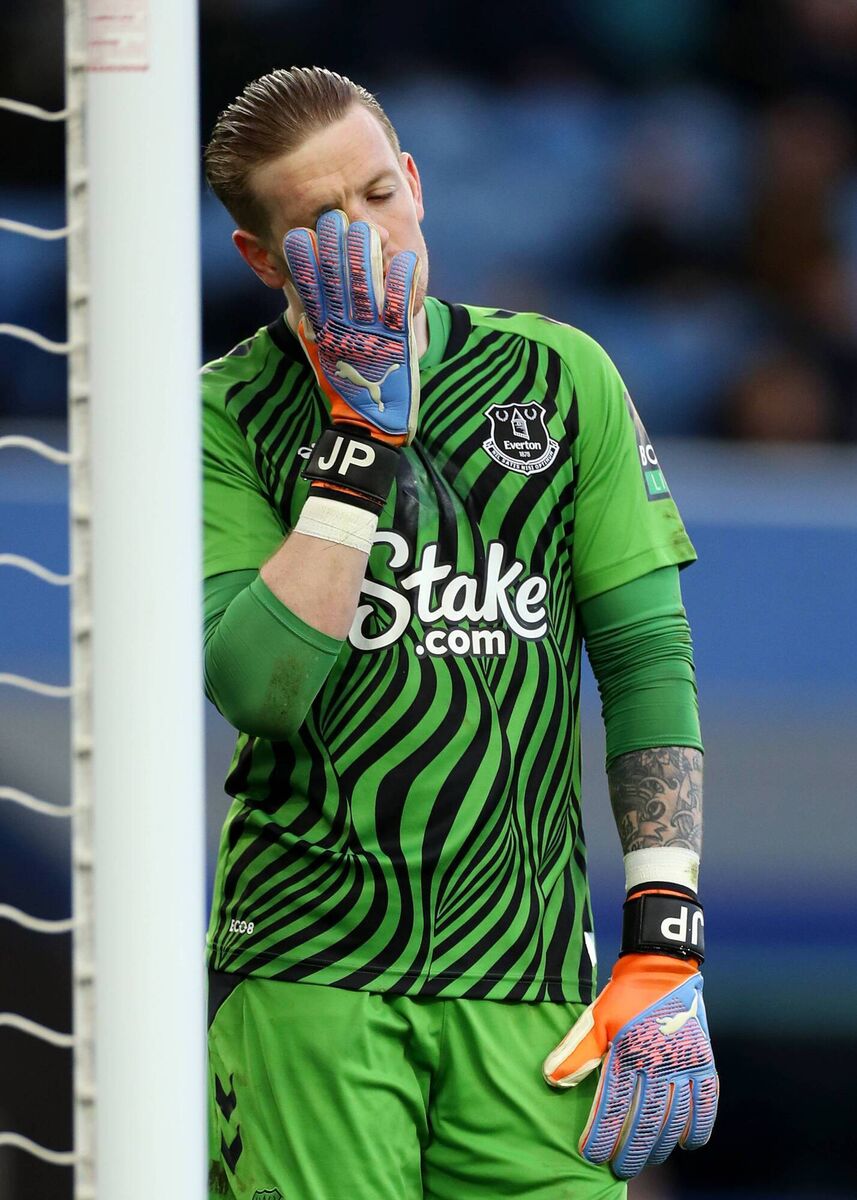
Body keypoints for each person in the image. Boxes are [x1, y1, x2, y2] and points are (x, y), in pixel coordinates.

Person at [201, 66, 717, 1200]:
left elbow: (642, 661)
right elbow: (260, 687)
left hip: (528, 990)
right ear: (259, 260)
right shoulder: (218, 417)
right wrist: (354, 443)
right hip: (309, 973)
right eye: (321, 229)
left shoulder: (559, 375)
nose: (370, 242)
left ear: (419, 183)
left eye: (381, 197)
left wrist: (662, 931)